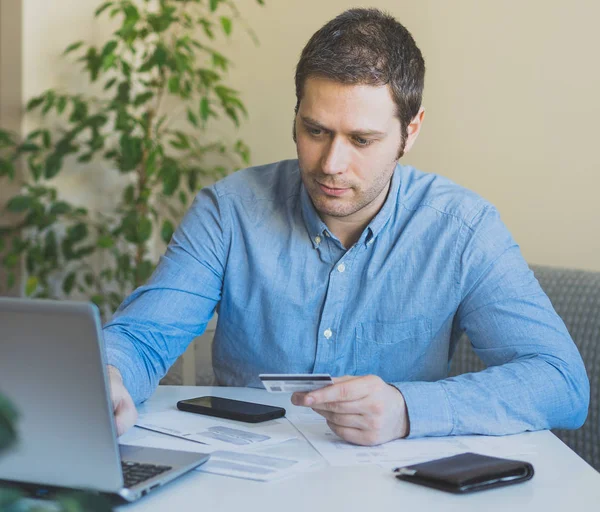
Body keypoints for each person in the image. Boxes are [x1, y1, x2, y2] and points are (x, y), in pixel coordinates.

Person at [105, 8, 589, 445]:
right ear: (295, 117)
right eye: (315, 131)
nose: (331, 164)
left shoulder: (463, 230)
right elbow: (144, 338)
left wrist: (406, 409)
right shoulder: (229, 211)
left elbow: (560, 381)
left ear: (410, 131)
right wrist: (109, 375)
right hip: (244, 481)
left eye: (361, 139)